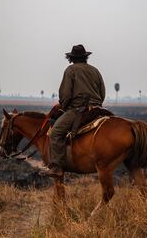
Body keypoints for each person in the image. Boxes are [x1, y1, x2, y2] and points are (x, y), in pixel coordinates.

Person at [44, 44, 106, 178]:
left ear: (71, 58)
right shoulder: (95, 70)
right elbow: (102, 92)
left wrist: (63, 106)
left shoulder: (70, 70)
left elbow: (65, 95)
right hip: (98, 109)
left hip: (78, 110)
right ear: (85, 57)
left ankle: (57, 167)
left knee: (55, 133)